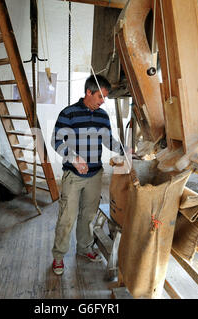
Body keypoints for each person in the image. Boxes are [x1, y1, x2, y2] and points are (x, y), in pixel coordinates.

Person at [50, 74, 125, 275]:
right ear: (88, 92)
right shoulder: (69, 113)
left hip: (95, 174)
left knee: (88, 215)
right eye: (100, 96)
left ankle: (84, 248)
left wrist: (125, 150)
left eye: (105, 97)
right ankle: (58, 257)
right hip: (73, 176)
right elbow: (56, 141)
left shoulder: (102, 116)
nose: (103, 101)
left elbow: (109, 140)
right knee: (67, 217)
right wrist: (73, 158)